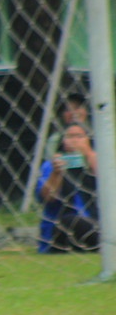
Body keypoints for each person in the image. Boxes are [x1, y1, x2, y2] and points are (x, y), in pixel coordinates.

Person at [36, 95, 99, 253]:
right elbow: (47, 197)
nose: (74, 141)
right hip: (64, 228)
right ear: (62, 140)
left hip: (96, 221)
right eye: (70, 136)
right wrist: (56, 172)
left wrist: (88, 153)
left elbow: (109, 184)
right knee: (71, 222)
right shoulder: (52, 164)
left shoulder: (96, 159)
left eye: (79, 136)